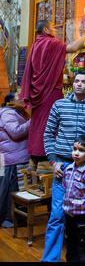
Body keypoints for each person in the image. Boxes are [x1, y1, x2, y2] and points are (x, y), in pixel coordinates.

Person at [42, 71, 85, 262]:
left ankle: (81, 256)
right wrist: (53, 162)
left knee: (84, 217)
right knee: (57, 216)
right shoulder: (59, 105)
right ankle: (50, 259)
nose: (79, 84)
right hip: (63, 166)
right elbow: (48, 134)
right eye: (76, 81)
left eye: (83, 82)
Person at [19, 19, 85, 162]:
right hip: (50, 89)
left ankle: (34, 157)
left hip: (38, 90)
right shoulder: (51, 42)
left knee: (38, 122)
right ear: (46, 30)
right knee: (52, 122)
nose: (55, 31)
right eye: (53, 28)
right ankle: (47, 156)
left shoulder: (36, 44)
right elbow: (73, 48)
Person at [0, 92, 30, 228]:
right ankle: (9, 219)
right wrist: (33, 121)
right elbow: (16, 132)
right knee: (9, 190)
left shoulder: (16, 112)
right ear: (10, 101)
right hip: (12, 158)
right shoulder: (8, 113)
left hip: (11, 156)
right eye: (19, 97)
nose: (23, 99)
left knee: (11, 189)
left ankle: (14, 218)